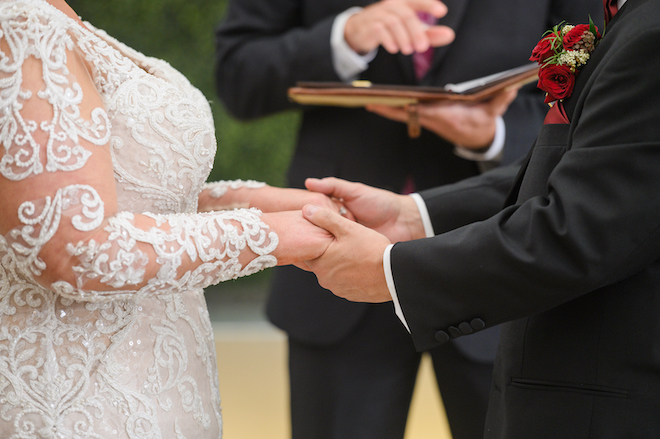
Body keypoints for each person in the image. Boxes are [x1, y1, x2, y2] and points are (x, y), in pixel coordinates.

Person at [215, 1, 602, 438]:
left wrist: (495, 135)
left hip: (498, 263)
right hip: (335, 265)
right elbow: (237, 74)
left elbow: (597, 101)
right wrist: (344, 37)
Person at [299, 0, 660, 436]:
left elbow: (583, 226)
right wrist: (415, 215)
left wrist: (391, 272)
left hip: (605, 391)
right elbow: (586, 174)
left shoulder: (650, 31)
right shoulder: (629, 16)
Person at [0, 1, 338, 437]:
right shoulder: (18, 23)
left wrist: (259, 202)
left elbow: (119, 196)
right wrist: (276, 234)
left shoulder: (51, 15)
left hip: (164, 379)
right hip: (83, 398)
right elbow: (75, 249)